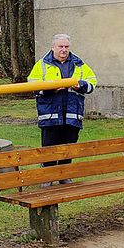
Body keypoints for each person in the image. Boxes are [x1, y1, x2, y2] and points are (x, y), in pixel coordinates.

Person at [27, 34, 97, 185]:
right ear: (53, 47)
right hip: (50, 114)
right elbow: (32, 85)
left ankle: (64, 174)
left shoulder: (79, 64)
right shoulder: (42, 64)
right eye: (60, 47)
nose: (64, 50)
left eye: (66, 47)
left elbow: (92, 82)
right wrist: (50, 89)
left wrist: (82, 86)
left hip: (72, 113)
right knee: (49, 146)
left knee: (69, 145)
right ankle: (48, 175)